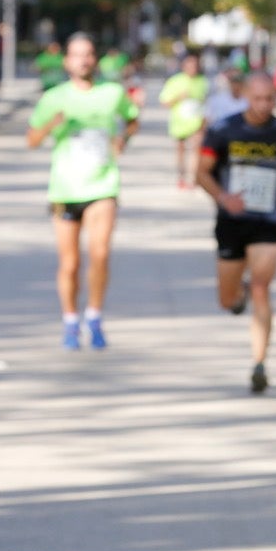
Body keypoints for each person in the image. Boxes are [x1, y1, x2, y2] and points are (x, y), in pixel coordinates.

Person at [26, 33, 140, 350]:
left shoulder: (113, 93)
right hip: (65, 188)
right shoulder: (54, 97)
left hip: (103, 184)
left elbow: (132, 120)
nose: (84, 60)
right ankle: (70, 320)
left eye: (89, 54)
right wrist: (52, 125)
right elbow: (31, 140)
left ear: (96, 59)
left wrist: (122, 140)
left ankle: (94, 315)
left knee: (100, 253)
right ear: (67, 61)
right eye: (77, 55)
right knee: (70, 263)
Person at [197, 72, 276, 394]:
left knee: (261, 286)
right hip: (231, 221)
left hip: (268, 220)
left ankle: (259, 362)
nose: (263, 105)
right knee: (227, 299)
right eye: (257, 99)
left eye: (269, 99)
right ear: (245, 96)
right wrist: (223, 197)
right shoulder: (222, 130)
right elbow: (201, 173)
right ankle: (237, 294)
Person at [159, 50, 209, 187]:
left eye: (195, 66)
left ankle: (193, 178)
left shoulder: (202, 81)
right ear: (183, 66)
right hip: (179, 123)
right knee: (181, 151)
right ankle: (182, 176)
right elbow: (164, 101)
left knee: (196, 149)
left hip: (197, 123)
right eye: (189, 65)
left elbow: (206, 102)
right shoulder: (175, 81)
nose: (192, 69)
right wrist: (178, 98)